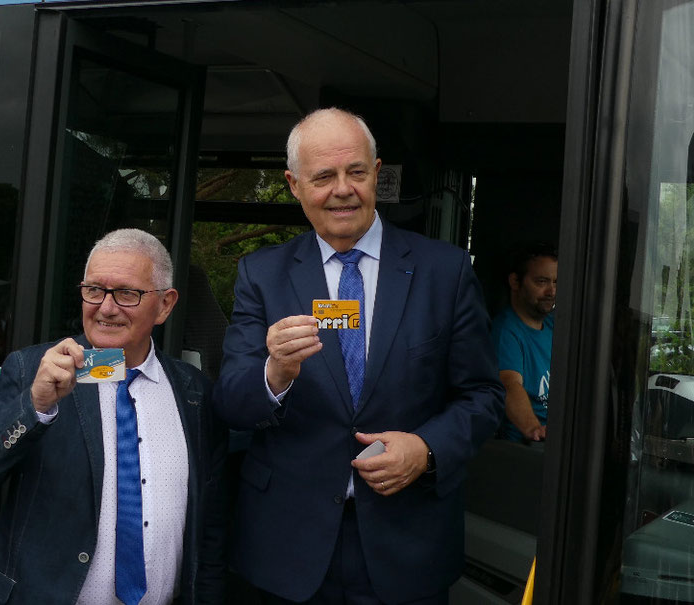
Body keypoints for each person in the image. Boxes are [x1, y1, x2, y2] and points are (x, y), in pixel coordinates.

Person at [214, 108, 504, 604]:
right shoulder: (262, 275)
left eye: (356, 172)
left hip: (407, 543)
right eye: (324, 176)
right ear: (293, 184)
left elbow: (482, 396)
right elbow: (232, 406)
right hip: (289, 548)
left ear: (377, 173)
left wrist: (426, 450)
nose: (343, 189)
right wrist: (275, 373)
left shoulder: (445, 271)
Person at [0, 228, 227, 605]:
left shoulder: (194, 392)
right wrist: (35, 407)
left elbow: (211, 533)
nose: (106, 307)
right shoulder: (30, 371)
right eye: (94, 290)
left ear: (165, 305)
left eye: (127, 293)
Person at [491, 243, 557, 443]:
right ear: (515, 282)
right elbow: (509, 384)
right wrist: (534, 429)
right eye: (542, 282)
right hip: (528, 448)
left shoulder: (553, 323)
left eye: (555, 282)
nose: (551, 291)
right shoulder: (506, 332)